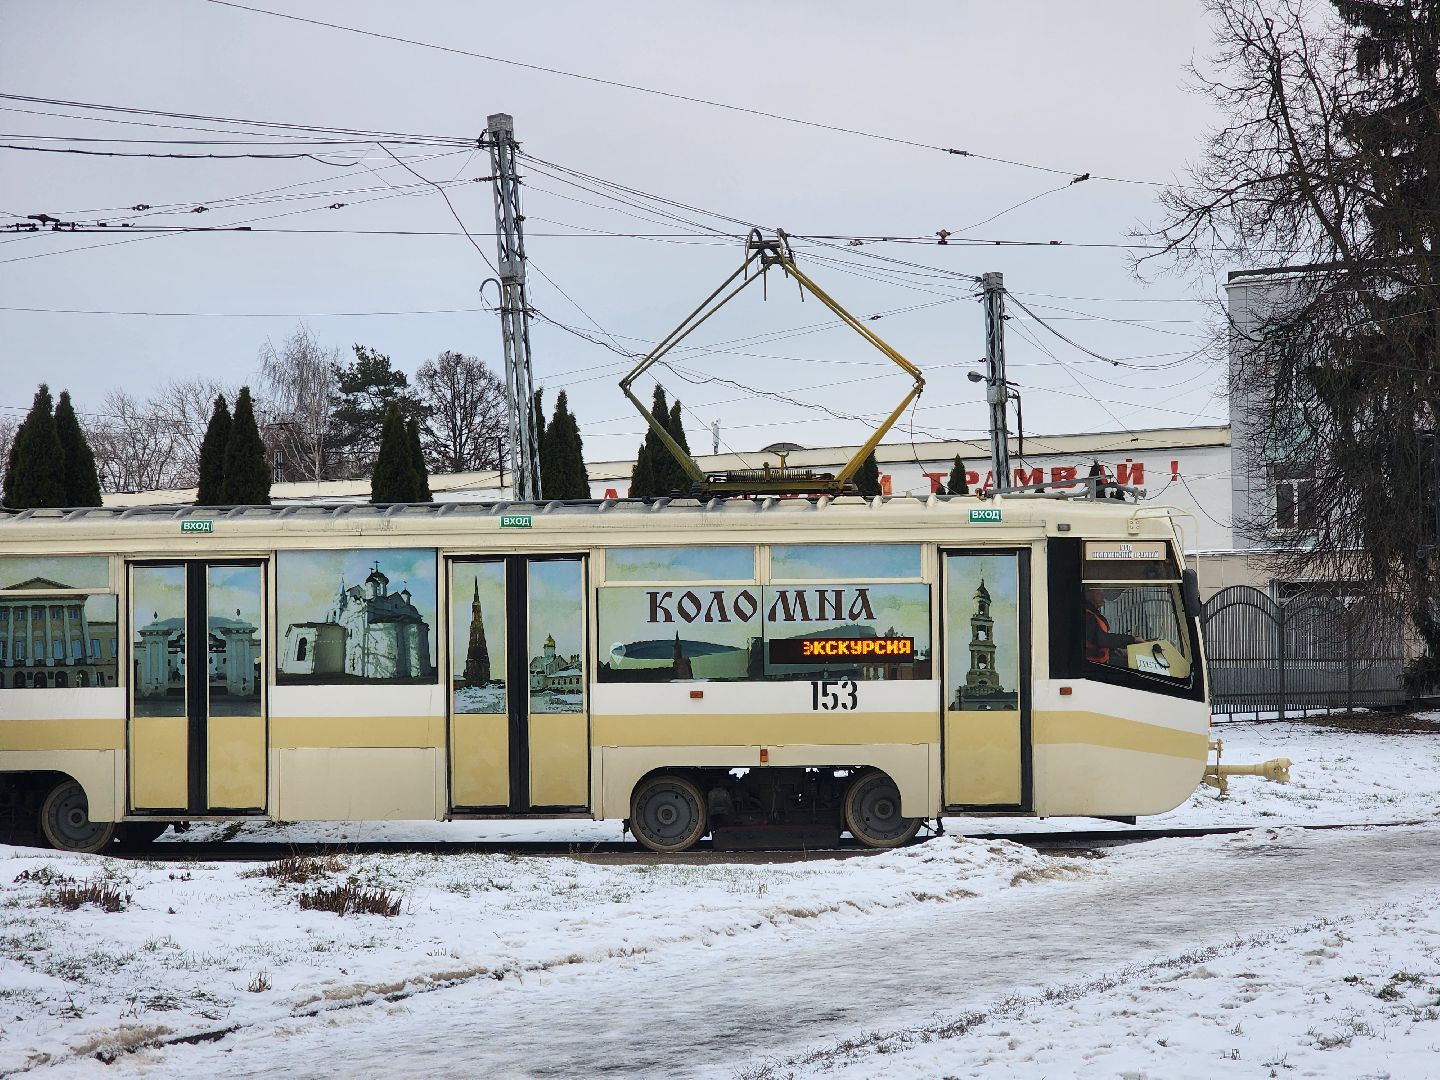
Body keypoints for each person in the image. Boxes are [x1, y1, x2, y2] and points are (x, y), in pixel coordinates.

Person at [1084, 584, 1136, 665]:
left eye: (1102, 592)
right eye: (1098, 593)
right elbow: (1101, 639)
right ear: (1088, 594)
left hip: (1103, 660)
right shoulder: (1086, 615)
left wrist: (1116, 650)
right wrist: (1132, 639)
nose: (1103, 596)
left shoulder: (1093, 613)